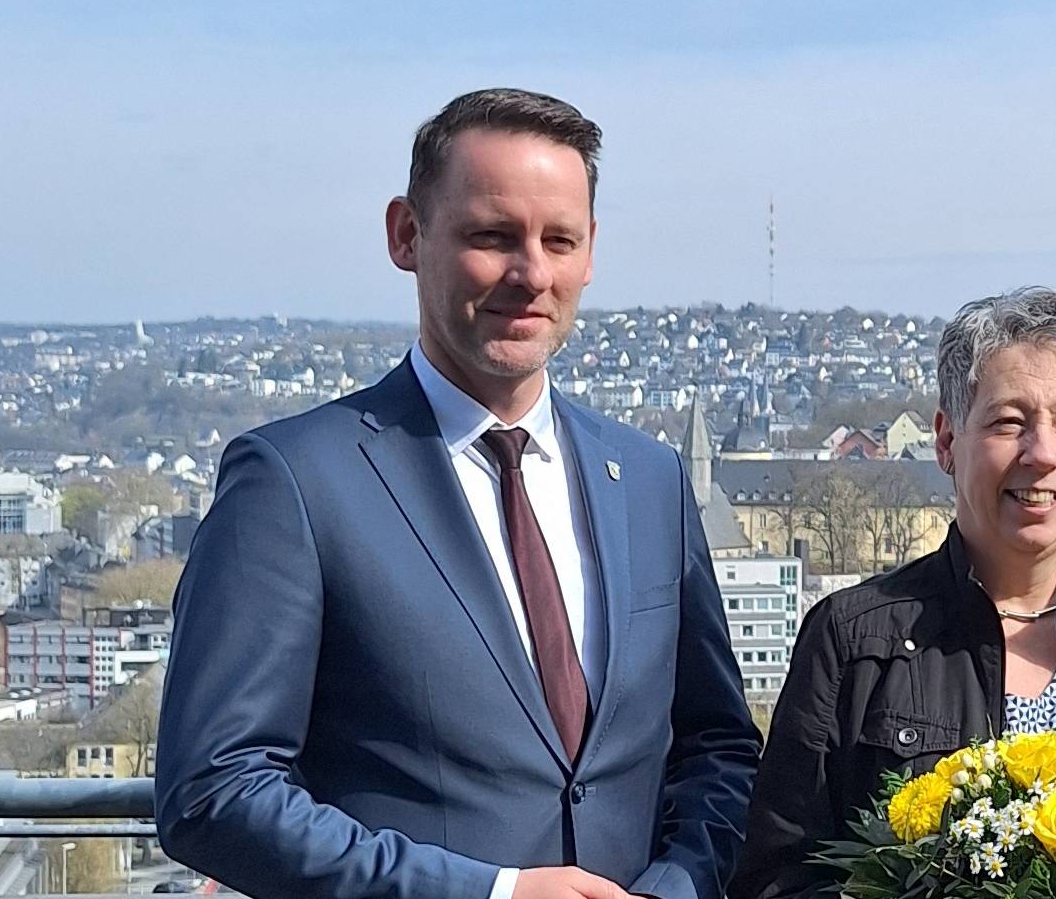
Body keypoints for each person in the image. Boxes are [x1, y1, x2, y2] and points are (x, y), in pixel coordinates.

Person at [157, 89, 763, 899]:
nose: (532, 274)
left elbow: (718, 751)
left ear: (590, 253)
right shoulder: (294, 483)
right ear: (406, 235)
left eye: (560, 240)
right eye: (492, 237)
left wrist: (675, 886)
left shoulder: (648, 480)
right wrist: (491, 893)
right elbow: (215, 789)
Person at [733, 287, 1056, 899]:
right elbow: (777, 877)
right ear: (946, 441)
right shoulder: (856, 641)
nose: (1042, 454)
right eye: (1009, 423)